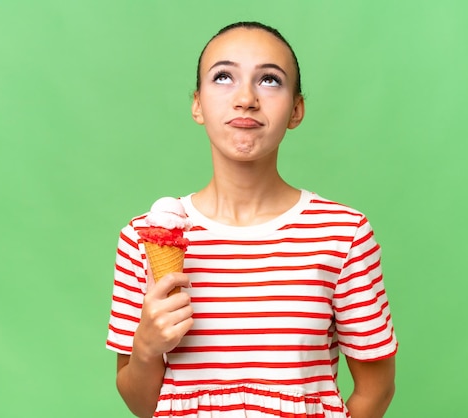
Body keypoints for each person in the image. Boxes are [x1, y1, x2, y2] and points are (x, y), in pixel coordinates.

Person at [106, 21, 398, 418]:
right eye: (224, 77)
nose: (245, 98)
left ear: (296, 110)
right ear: (197, 104)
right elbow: (142, 407)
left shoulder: (343, 234)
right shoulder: (143, 237)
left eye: (270, 80)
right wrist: (144, 347)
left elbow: (375, 391)